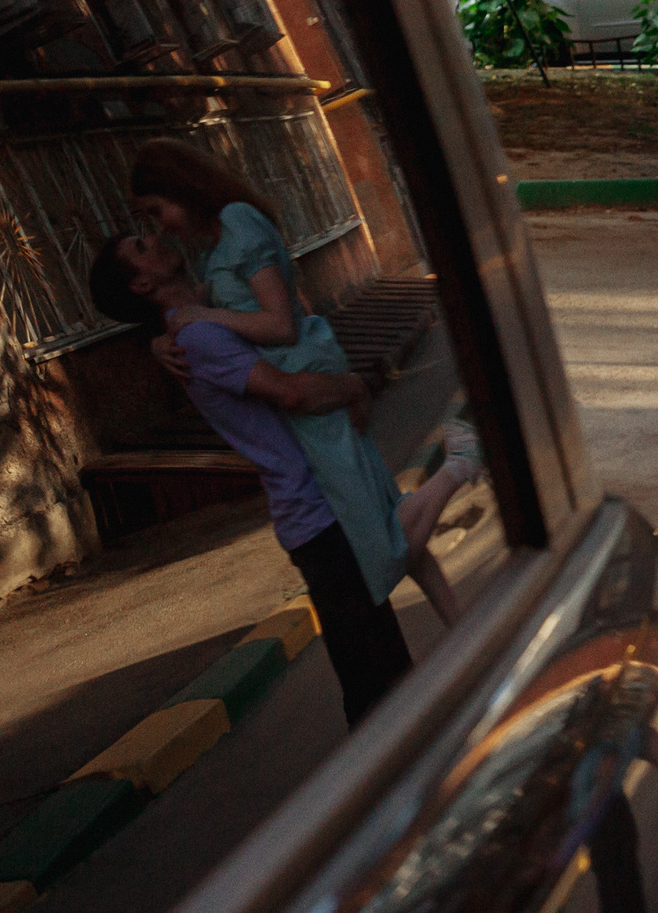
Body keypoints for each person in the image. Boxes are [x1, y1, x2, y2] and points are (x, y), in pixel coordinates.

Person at [122, 140, 482, 625]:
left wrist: (201, 314)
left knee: (381, 544)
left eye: (156, 210)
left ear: (179, 188)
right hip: (305, 385)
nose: (160, 226)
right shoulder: (214, 245)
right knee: (386, 512)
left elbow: (280, 325)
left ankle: (459, 465)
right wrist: (161, 339)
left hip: (307, 386)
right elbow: (220, 314)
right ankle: (465, 630)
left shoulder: (238, 221)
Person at [89, 228, 416, 726]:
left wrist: (160, 337)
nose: (154, 237)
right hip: (315, 515)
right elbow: (289, 393)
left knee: (384, 673)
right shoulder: (198, 336)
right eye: (140, 245)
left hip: (321, 504)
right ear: (141, 285)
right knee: (378, 683)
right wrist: (355, 385)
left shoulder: (201, 321)